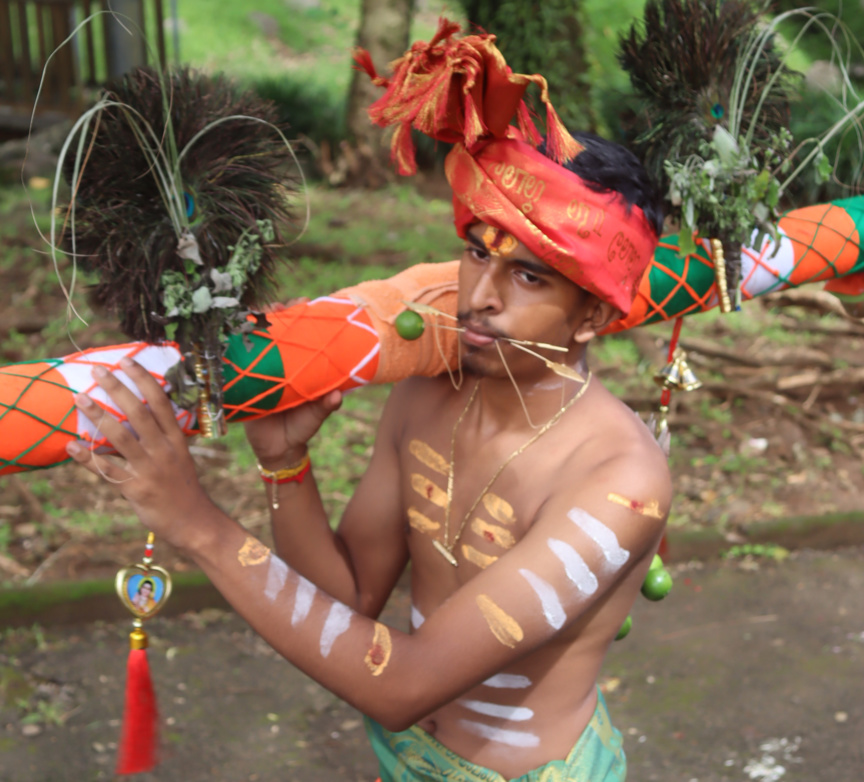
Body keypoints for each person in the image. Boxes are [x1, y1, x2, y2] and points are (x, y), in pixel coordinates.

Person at [64, 23, 670, 781]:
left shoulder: (621, 484)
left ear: (593, 317)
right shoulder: (430, 392)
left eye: (530, 276)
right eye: (479, 251)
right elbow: (349, 596)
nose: (479, 295)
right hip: (407, 761)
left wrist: (198, 525)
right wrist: (286, 465)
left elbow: (403, 685)